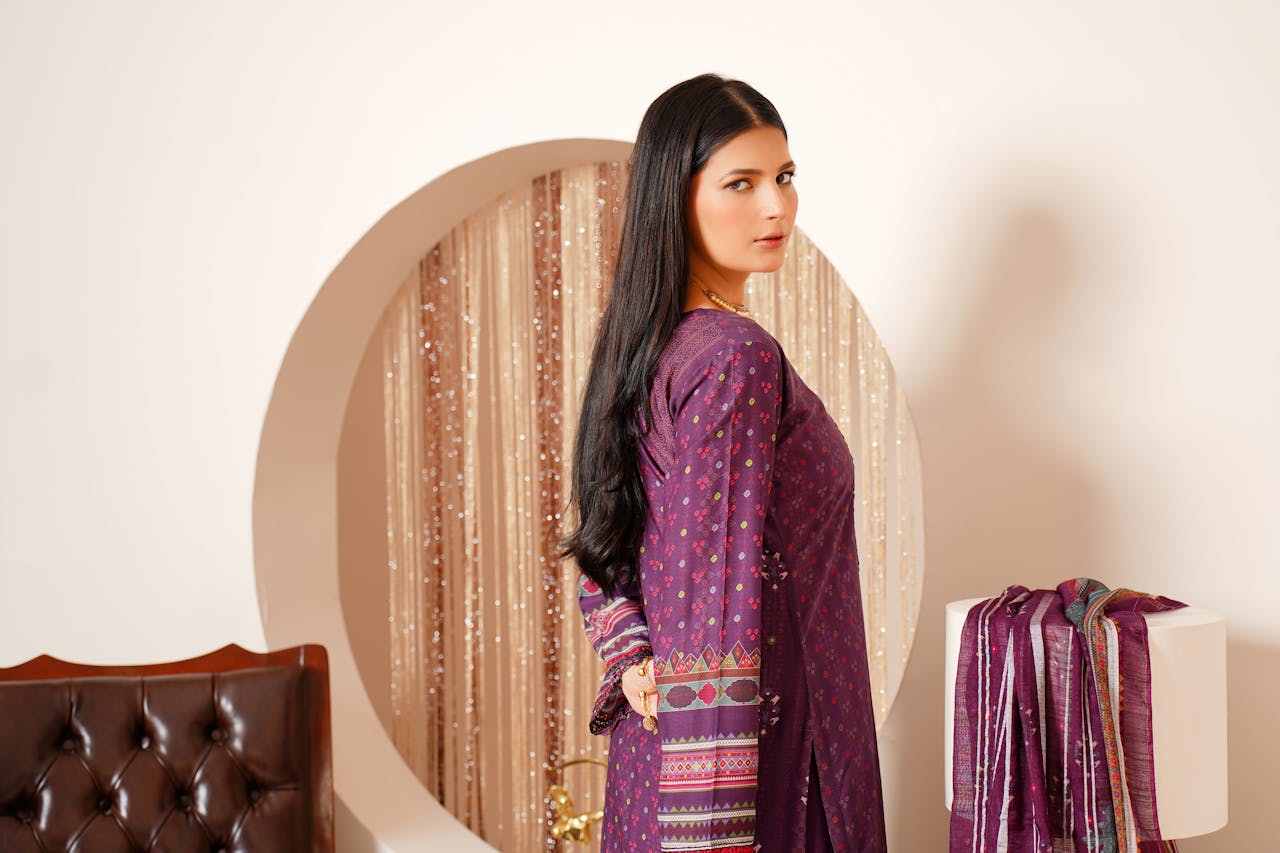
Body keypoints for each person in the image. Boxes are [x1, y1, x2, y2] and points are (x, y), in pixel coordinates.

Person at [558, 73, 888, 852]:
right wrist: (710, 833)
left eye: (785, 176)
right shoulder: (735, 357)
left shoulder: (652, 348)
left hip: (660, 754)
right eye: (741, 183)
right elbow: (712, 598)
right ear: (675, 198)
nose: (777, 206)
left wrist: (636, 660)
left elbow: (607, 552)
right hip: (761, 774)